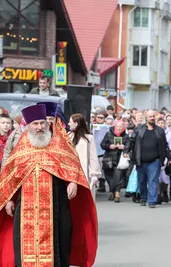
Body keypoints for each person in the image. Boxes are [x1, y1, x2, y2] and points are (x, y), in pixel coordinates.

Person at [0, 104, 97, 267]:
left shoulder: (59, 144)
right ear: (29, 126)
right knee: (22, 247)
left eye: (42, 123)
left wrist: (72, 181)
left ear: (47, 124)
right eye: (35, 124)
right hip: (25, 207)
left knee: (58, 242)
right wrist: (9, 199)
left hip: (55, 203)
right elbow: (11, 175)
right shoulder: (21, 149)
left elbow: (71, 164)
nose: (39, 127)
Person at [124, 110, 171, 208]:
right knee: (141, 181)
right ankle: (143, 197)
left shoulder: (160, 130)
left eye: (153, 116)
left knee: (153, 181)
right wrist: (126, 151)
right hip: (140, 160)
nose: (152, 118)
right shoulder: (138, 129)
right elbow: (131, 141)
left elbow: (165, 145)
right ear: (146, 117)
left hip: (155, 161)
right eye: (150, 116)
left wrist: (169, 158)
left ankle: (152, 201)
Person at [68, 113, 102, 199]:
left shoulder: (89, 138)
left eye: (70, 122)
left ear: (76, 124)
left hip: (83, 172)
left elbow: (93, 157)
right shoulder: (68, 136)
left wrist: (94, 174)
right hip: (69, 172)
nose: (68, 124)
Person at [100, 121, 129, 203]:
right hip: (109, 159)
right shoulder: (108, 134)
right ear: (115, 126)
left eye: (121, 127)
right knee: (109, 176)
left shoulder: (126, 136)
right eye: (118, 126)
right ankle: (112, 192)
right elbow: (102, 145)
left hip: (120, 160)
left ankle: (117, 194)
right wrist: (109, 146)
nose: (119, 128)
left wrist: (124, 147)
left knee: (118, 176)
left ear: (123, 128)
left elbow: (129, 146)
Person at [156, 118, 171, 204]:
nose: (161, 124)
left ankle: (164, 191)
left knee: (165, 178)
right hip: (155, 157)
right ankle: (157, 195)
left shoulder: (168, 134)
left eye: (162, 123)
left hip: (165, 158)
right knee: (156, 177)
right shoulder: (154, 132)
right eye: (159, 123)